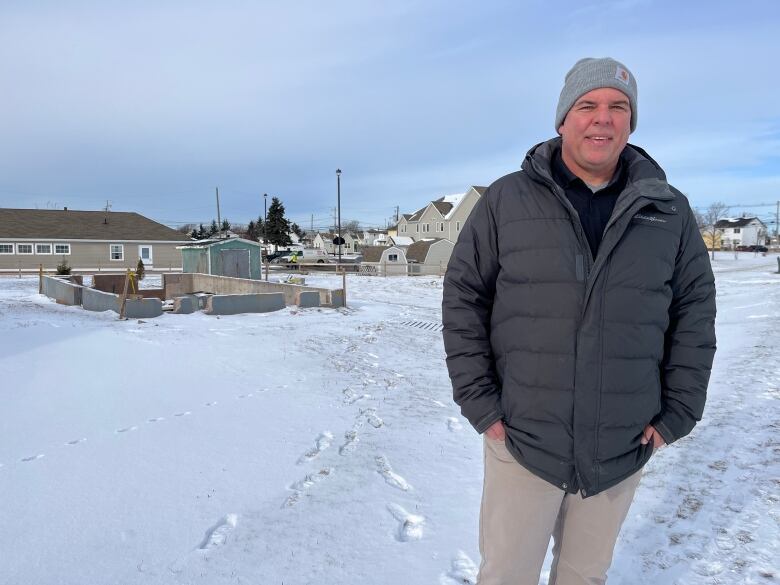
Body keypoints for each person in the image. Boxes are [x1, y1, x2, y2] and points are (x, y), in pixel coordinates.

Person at [442, 57, 716, 585]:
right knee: (506, 575)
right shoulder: (506, 201)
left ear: (631, 124)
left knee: (584, 576)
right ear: (563, 120)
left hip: (621, 441)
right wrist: (481, 402)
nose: (602, 119)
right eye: (588, 105)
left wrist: (678, 410)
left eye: (618, 107)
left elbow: (694, 313)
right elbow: (464, 298)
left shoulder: (669, 211)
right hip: (523, 438)